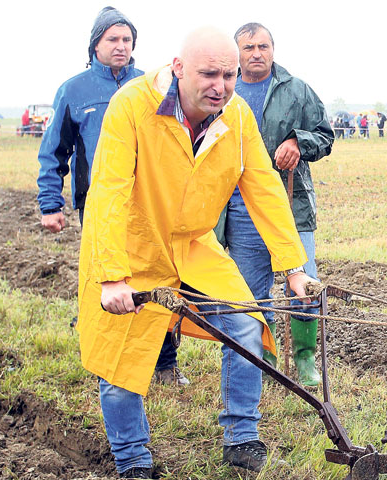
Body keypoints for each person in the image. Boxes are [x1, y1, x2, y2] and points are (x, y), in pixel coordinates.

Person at [78, 27, 312, 478]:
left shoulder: (237, 116)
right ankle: (132, 459)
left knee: (245, 325)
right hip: (131, 249)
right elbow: (107, 191)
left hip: (192, 246)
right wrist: (111, 276)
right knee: (121, 359)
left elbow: (263, 187)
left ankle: (241, 436)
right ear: (179, 68)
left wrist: (293, 267)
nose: (219, 86)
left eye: (228, 75)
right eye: (208, 74)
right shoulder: (132, 106)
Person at [35, 7, 186, 387]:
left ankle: (165, 364)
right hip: (100, 204)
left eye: (127, 40)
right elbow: (54, 151)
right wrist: (50, 204)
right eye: (112, 39)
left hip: (152, 203)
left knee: (161, 280)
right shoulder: (74, 90)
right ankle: (110, 363)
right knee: (110, 278)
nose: (121, 47)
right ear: (95, 45)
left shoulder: (152, 85)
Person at [224, 22, 333, 387]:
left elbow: (325, 135)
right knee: (251, 291)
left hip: (292, 205)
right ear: (237, 53)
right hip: (238, 209)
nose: (257, 53)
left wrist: (299, 143)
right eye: (249, 47)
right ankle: (266, 357)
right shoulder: (224, 90)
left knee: (302, 284)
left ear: (273, 49)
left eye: (264, 46)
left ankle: (304, 360)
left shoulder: (296, 90)